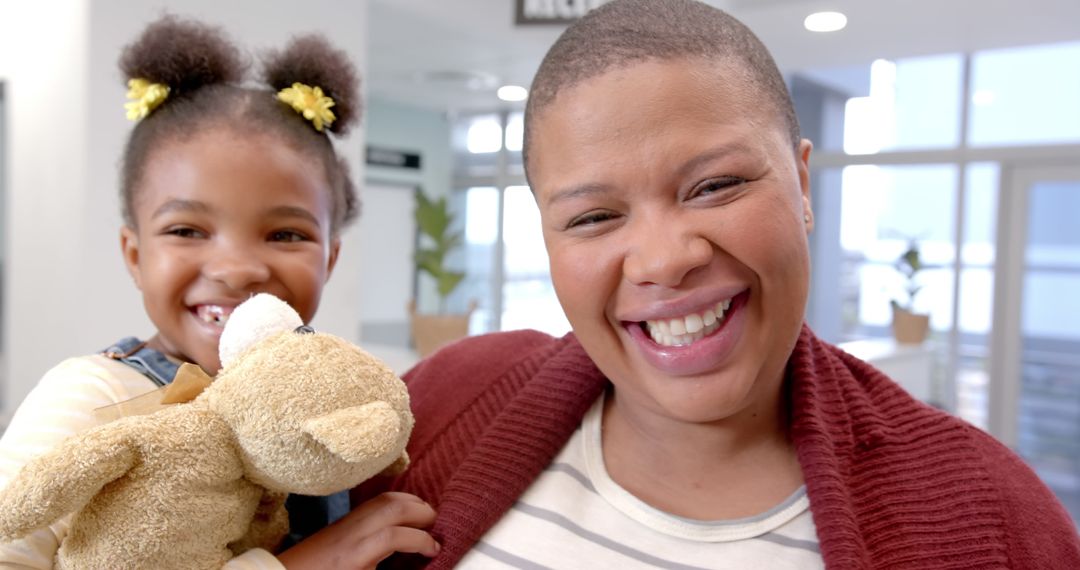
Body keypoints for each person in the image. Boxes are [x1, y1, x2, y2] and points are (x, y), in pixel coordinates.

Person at [351, 0, 1080, 568]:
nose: (664, 260)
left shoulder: (993, 518)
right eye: (596, 216)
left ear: (800, 183)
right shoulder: (440, 405)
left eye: (715, 185)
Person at [0, 16, 436, 570]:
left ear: (329, 259)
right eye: (187, 231)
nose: (236, 270)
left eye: (285, 235)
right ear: (135, 255)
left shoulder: (335, 403)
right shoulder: (90, 398)